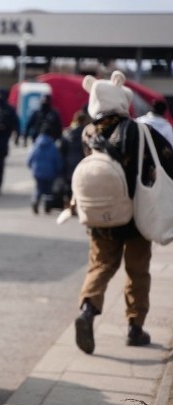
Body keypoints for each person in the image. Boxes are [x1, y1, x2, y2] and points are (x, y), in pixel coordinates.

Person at [74, 70, 173, 355]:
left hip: (102, 219)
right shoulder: (139, 130)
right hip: (136, 217)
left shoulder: (88, 132)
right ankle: (135, 327)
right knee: (137, 272)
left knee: (100, 267)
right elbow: (166, 159)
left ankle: (88, 310)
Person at [27, 124, 63, 214]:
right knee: (48, 191)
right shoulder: (53, 146)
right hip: (50, 173)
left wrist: (31, 166)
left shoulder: (36, 145)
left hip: (37, 172)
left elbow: (30, 158)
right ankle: (47, 206)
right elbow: (57, 160)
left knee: (39, 188)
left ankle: (35, 201)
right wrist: (59, 170)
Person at [59, 108, 91, 206]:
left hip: (68, 163)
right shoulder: (87, 134)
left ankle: (68, 203)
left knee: (68, 185)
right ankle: (75, 204)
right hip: (81, 163)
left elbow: (62, 149)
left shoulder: (67, 132)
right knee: (79, 186)